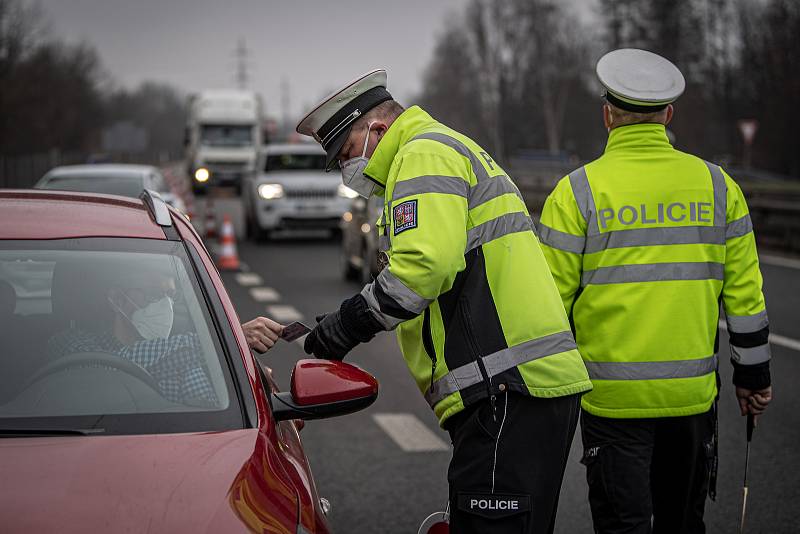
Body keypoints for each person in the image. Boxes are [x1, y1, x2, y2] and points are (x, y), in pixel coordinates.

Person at [296, 69, 592, 533]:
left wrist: (348, 324)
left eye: (346, 153)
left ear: (375, 129)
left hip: (505, 385)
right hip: (518, 386)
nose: (345, 170)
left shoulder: (422, 154)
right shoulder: (443, 147)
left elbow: (423, 268)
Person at [538, 48, 773, 534]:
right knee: (683, 524)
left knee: (623, 526)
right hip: (691, 401)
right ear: (668, 115)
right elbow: (746, 300)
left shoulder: (576, 192)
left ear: (607, 115)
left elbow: (548, 308)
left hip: (611, 403)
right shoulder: (718, 187)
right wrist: (753, 378)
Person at [48, 267, 283, 405]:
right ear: (117, 300)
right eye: (153, 295)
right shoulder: (73, 343)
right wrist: (225, 341)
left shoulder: (186, 360)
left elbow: (204, 405)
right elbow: (106, 367)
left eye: (170, 296)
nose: (165, 306)